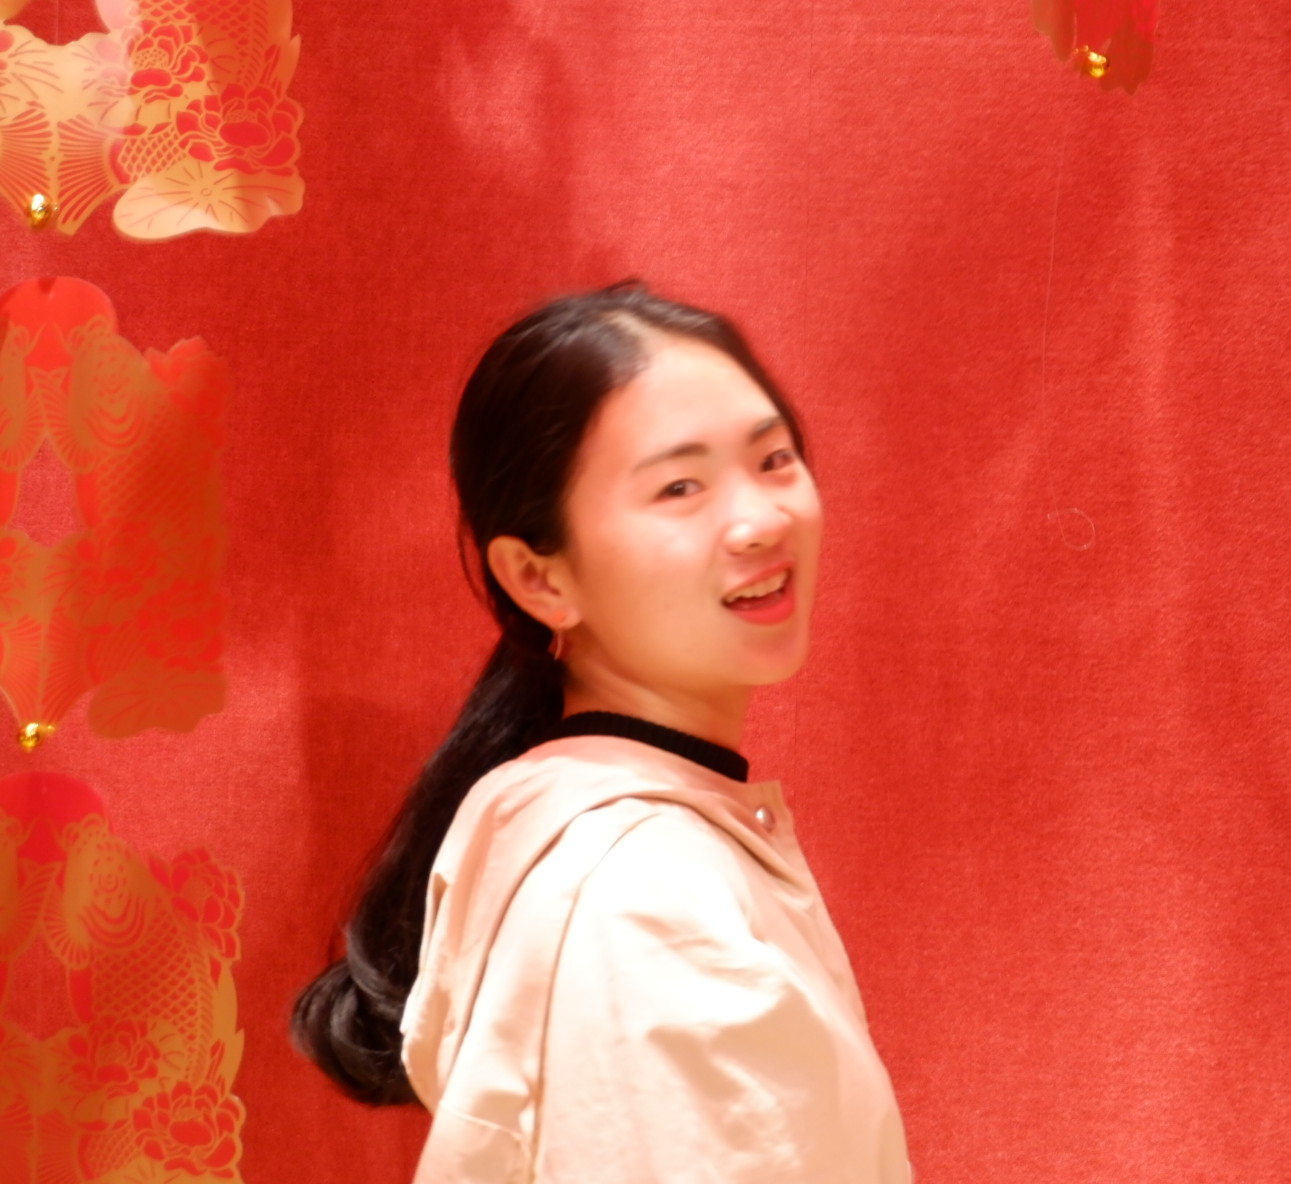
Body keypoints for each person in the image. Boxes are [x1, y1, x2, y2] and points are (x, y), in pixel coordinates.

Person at [291, 283, 913, 1182]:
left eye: (774, 459)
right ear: (539, 580)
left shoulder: (625, 836)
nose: (760, 520)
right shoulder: (640, 894)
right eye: (680, 487)